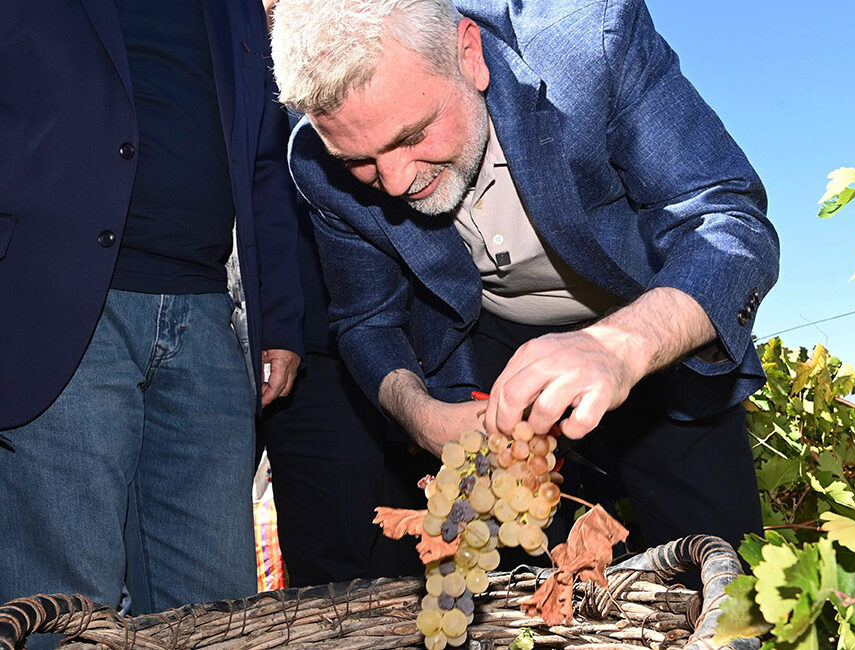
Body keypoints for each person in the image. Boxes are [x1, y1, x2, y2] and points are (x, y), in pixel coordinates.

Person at [269, 0, 780, 556]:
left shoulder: (591, 43)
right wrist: (423, 416)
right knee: (514, 606)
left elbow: (727, 220)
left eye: (411, 135)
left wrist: (619, 344)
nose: (393, 184)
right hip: (489, 350)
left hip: (652, 327)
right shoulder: (317, 161)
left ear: (470, 55)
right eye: (358, 162)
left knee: (722, 584)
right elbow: (366, 321)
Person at [0, 1, 304, 646]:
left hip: (206, 317)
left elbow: (262, 154)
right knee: (64, 610)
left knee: (220, 612)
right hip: (57, 314)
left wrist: (277, 315)